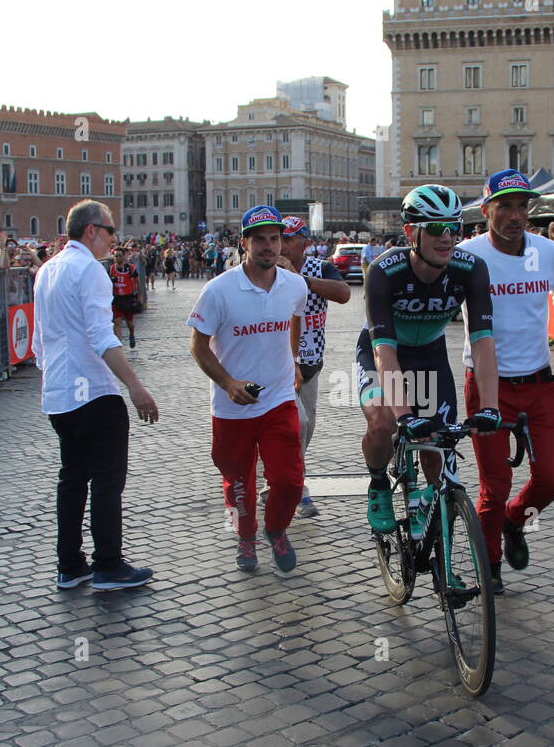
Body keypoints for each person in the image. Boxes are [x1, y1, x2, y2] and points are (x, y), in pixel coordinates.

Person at [460, 171, 554, 593]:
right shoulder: (466, 256)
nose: (516, 216)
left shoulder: (547, 251)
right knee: (494, 487)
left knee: (553, 478)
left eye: (522, 207)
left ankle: (516, 522)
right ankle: (489, 564)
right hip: (488, 384)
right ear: (486, 211)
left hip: (539, 381)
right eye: (505, 207)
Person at [358, 184, 500, 534]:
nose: (447, 237)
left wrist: (491, 407)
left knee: (437, 447)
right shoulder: (383, 271)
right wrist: (405, 414)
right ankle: (378, 482)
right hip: (383, 352)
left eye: (455, 228)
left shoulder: (472, 269)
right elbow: (383, 352)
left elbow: (482, 342)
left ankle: (433, 524)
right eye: (436, 228)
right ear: (410, 233)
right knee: (382, 424)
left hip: (430, 355)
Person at [32, 199, 159, 591]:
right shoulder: (90, 270)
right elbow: (102, 336)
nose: (113, 238)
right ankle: (108, 564)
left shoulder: (47, 270)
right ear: (91, 230)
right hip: (94, 393)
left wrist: (53, 376)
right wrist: (135, 387)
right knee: (106, 480)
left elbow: (39, 342)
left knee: (72, 479)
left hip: (59, 393)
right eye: (110, 231)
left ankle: (70, 564)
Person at [187, 205, 308, 575]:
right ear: (244, 244)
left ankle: (276, 530)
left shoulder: (295, 285)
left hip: (278, 400)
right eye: (260, 240)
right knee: (237, 481)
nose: (269, 247)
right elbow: (197, 345)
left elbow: (295, 321)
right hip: (233, 407)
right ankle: (245, 536)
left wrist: (294, 361)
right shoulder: (219, 290)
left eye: (275, 239)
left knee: (289, 480)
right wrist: (227, 382)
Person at [277, 216, 350, 516]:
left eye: (286, 238)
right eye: (276, 237)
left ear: (304, 243)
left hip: (312, 363)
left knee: (307, 430)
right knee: (299, 424)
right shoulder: (271, 271)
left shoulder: (319, 268)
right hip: (281, 364)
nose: (278, 244)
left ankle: (285, 478)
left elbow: (344, 293)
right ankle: (295, 488)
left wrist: (302, 281)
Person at [109, 245, 141, 348]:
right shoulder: (111, 269)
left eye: (119, 256)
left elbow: (137, 281)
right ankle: (119, 345)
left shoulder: (130, 268)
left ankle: (132, 334)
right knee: (117, 322)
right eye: (115, 256)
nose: (117, 258)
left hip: (128, 297)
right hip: (116, 298)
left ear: (123, 257)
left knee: (129, 323)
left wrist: (139, 295)